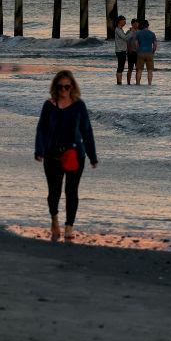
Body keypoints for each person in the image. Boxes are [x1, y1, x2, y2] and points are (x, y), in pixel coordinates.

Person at [34, 70, 98, 241]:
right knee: (53, 192)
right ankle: (54, 220)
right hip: (52, 154)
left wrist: (92, 156)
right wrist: (39, 150)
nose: (63, 90)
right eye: (60, 87)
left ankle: (69, 226)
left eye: (67, 87)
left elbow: (86, 130)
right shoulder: (49, 105)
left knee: (71, 191)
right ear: (55, 87)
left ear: (72, 87)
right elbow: (41, 129)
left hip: (75, 154)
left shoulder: (79, 106)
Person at [134, 19, 158, 86]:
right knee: (150, 71)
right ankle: (149, 84)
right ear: (148, 25)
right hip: (149, 53)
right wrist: (153, 51)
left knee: (139, 70)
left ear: (142, 26)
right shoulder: (152, 34)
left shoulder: (138, 33)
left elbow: (136, 44)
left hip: (141, 52)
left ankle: (138, 83)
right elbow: (155, 45)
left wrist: (138, 51)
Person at [113, 15, 129, 86]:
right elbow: (125, 38)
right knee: (120, 67)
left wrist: (128, 32)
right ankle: (119, 82)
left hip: (122, 50)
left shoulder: (120, 29)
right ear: (120, 21)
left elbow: (124, 37)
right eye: (124, 21)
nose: (125, 22)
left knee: (121, 67)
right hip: (120, 51)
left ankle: (119, 81)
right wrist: (131, 32)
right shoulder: (118, 29)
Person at [126, 18, 140, 85]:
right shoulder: (129, 32)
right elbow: (127, 41)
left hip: (138, 52)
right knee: (130, 69)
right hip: (131, 52)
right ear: (132, 24)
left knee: (138, 69)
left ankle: (137, 82)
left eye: (137, 23)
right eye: (134, 23)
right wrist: (129, 50)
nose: (136, 24)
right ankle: (128, 83)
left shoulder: (140, 32)